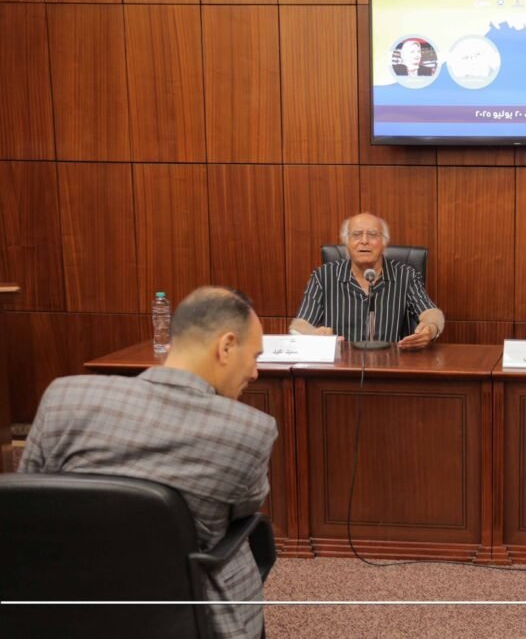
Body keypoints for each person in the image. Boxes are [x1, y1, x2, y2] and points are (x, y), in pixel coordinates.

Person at [19, 286, 277, 639]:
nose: (255, 372)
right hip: (190, 614)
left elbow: (26, 496)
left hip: (65, 600)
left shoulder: (63, 397)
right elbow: (242, 510)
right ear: (227, 346)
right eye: (255, 356)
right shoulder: (249, 431)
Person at [290, 212, 444, 349]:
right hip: (340, 366)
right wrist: (314, 334)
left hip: (390, 364)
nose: (364, 241)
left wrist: (430, 329)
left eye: (372, 235)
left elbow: (431, 313)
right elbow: (299, 325)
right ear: (346, 242)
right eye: (356, 234)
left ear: (384, 243)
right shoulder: (323, 276)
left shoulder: (406, 275)